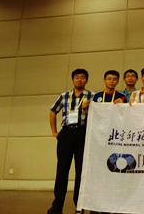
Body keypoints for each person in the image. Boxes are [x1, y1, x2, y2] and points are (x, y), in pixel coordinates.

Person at [47, 69, 94, 214]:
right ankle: (57, 205)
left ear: (87, 80)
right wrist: (55, 132)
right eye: (77, 77)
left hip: (83, 133)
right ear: (72, 79)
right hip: (66, 133)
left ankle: (79, 206)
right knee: (62, 170)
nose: (79, 80)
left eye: (82, 77)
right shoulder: (64, 95)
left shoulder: (92, 96)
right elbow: (53, 111)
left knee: (81, 171)